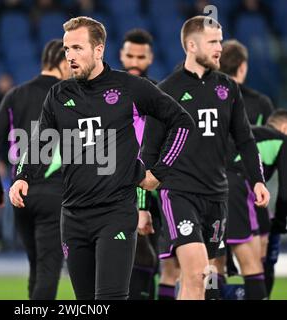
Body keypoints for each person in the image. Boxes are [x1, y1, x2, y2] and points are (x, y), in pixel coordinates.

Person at [9, 16, 195, 300]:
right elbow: (39, 143)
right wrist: (22, 176)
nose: (70, 56)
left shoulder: (130, 88)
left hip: (115, 214)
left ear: (98, 50)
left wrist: (160, 171)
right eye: (67, 49)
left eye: (77, 48)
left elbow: (182, 122)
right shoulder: (58, 95)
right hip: (71, 217)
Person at [143, 16, 270, 300]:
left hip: (216, 195)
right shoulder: (166, 91)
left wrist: (258, 181)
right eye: (213, 41)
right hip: (178, 193)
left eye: (220, 41)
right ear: (191, 45)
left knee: (205, 278)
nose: (219, 48)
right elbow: (148, 153)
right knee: (197, 272)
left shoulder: (228, 88)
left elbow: (245, 140)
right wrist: (142, 206)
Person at [0, 39, 70, 300]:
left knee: (36, 264)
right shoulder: (69, 94)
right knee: (48, 269)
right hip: (55, 193)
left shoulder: (16, 95)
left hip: (20, 195)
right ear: (62, 62)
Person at [217, 39, 277, 299]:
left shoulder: (209, 94)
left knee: (211, 263)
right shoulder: (260, 103)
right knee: (257, 260)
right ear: (242, 67)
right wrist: (259, 180)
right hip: (249, 191)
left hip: (211, 185)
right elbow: (272, 150)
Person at [119, 28, 160, 300]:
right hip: (119, 189)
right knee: (128, 261)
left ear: (150, 58)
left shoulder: (158, 94)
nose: (135, 62)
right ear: (121, 55)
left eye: (140, 57)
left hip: (153, 188)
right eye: (130, 55)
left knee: (151, 260)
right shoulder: (108, 93)